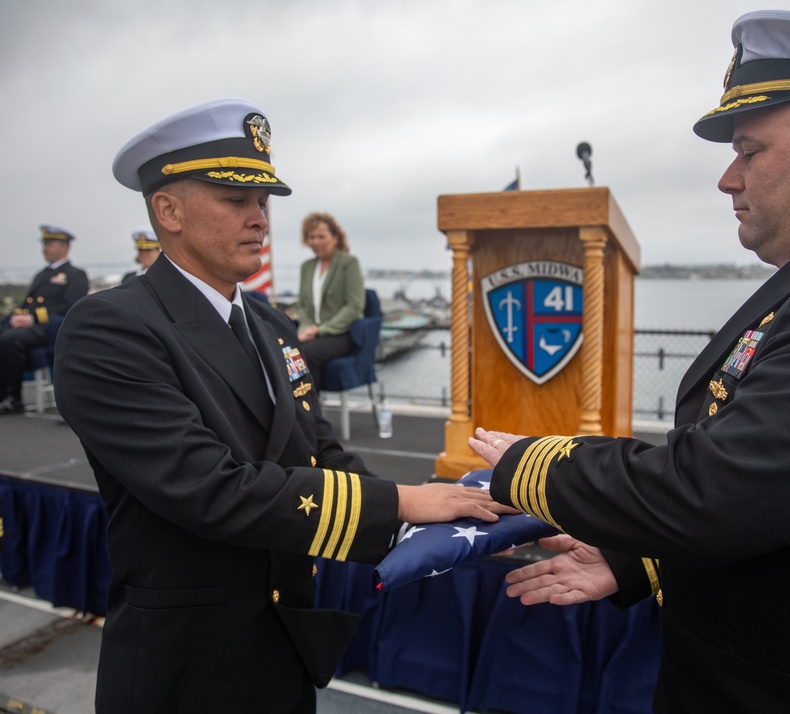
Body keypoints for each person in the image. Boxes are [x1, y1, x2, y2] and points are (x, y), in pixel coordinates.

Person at [469, 11, 790, 714]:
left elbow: (715, 492)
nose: (728, 178)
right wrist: (640, 557)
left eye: (750, 151)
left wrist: (531, 465)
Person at [54, 98, 511, 714]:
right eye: (235, 200)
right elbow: (209, 488)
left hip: (283, 648)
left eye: (263, 202)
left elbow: (316, 448)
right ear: (168, 211)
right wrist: (402, 502)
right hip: (186, 666)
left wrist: (450, 520)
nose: (259, 219)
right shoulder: (110, 328)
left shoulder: (269, 323)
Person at [0, 225, 88, 414]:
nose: (44, 248)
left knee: (8, 340)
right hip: (28, 328)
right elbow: (27, 303)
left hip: (50, 330)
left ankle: (12, 397)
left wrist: (32, 319)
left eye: (49, 243)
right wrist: (18, 316)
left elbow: (70, 307)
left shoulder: (75, 275)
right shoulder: (42, 275)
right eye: (45, 243)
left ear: (64, 247)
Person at [295, 212, 365, 387]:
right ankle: (290, 408)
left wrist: (320, 331)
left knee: (305, 354)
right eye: (311, 237)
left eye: (321, 236)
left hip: (341, 334)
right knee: (284, 351)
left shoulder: (348, 263)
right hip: (311, 332)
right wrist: (305, 329)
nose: (315, 242)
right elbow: (302, 306)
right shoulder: (306, 267)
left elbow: (354, 306)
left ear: (334, 237)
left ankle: (310, 410)